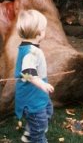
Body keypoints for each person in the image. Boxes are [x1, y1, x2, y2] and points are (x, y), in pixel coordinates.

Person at [14, 9, 54, 143]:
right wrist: (42, 83)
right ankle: (36, 137)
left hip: (37, 93)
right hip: (32, 96)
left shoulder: (28, 47)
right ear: (38, 33)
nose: (44, 32)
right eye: (43, 29)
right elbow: (28, 73)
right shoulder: (31, 52)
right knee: (40, 122)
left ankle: (30, 133)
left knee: (48, 109)